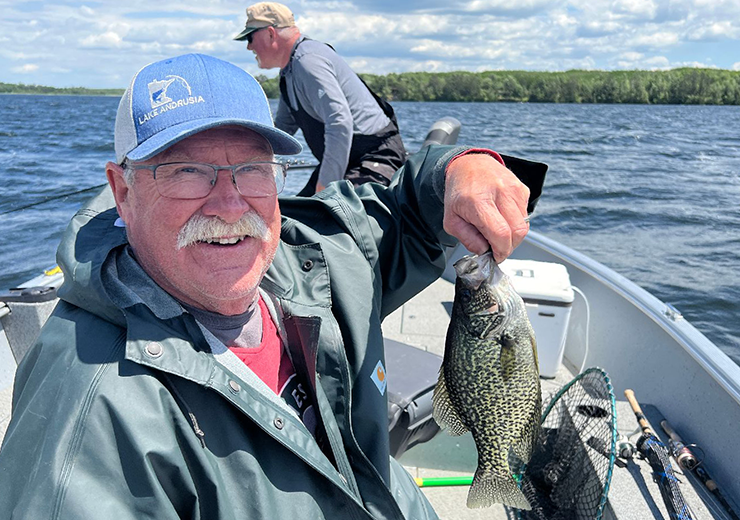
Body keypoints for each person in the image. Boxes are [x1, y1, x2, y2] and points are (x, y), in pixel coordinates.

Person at [0, 53, 539, 519]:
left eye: (253, 168)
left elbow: (409, 212)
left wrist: (464, 167)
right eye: (188, 171)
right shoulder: (88, 418)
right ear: (123, 190)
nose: (230, 205)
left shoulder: (306, 258)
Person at [234, 2, 408, 196]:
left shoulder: (307, 60)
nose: (249, 47)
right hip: (348, 163)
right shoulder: (289, 71)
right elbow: (283, 128)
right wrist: (243, 157)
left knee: (322, 221)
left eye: (250, 37)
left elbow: (339, 122)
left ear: (270, 33)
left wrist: (326, 185)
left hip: (376, 158)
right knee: (290, 219)